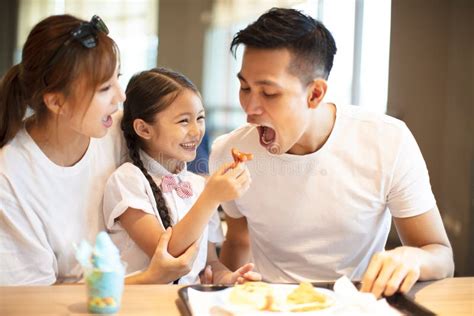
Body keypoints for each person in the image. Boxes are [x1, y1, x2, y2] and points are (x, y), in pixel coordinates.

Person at [209, 8, 454, 297]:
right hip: (270, 305)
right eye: (244, 87)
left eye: (269, 93)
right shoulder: (229, 152)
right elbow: (238, 240)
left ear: (315, 94)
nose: (249, 109)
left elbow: (440, 256)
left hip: (359, 304)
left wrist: (412, 257)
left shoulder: (388, 140)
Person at [0, 14, 197, 285]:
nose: (121, 96)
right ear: (57, 102)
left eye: (118, 78)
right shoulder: (10, 178)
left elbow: (173, 172)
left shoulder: (113, 128)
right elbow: (33, 303)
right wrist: (149, 278)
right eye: (105, 88)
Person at [102, 67, 260, 284]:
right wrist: (212, 198)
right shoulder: (127, 180)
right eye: (184, 121)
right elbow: (167, 255)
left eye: (200, 118)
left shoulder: (198, 186)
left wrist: (231, 279)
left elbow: (210, 265)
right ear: (144, 129)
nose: (196, 131)